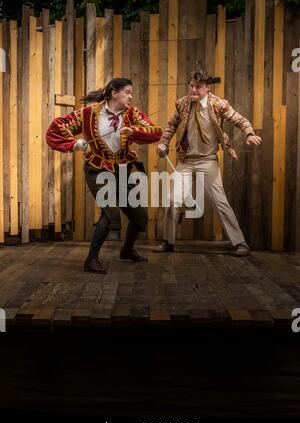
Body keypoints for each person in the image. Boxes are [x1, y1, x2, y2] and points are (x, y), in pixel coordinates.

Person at [46, 77, 162, 273]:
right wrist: (74, 144)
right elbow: (56, 128)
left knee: (139, 217)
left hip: (123, 170)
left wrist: (132, 131)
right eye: (128, 92)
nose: (131, 96)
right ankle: (91, 260)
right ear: (114, 93)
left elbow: (155, 131)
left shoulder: (132, 114)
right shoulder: (88, 113)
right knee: (110, 214)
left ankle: (126, 251)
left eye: (131, 93)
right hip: (98, 170)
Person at [154, 70, 262, 256]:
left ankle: (239, 243)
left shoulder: (218, 104)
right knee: (172, 200)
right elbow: (171, 125)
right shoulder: (182, 104)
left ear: (207, 87)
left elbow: (240, 120)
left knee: (220, 202)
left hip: (208, 160)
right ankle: (168, 242)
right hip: (186, 161)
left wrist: (249, 133)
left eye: (198, 87)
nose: (194, 90)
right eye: (192, 86)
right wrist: (163, 142)